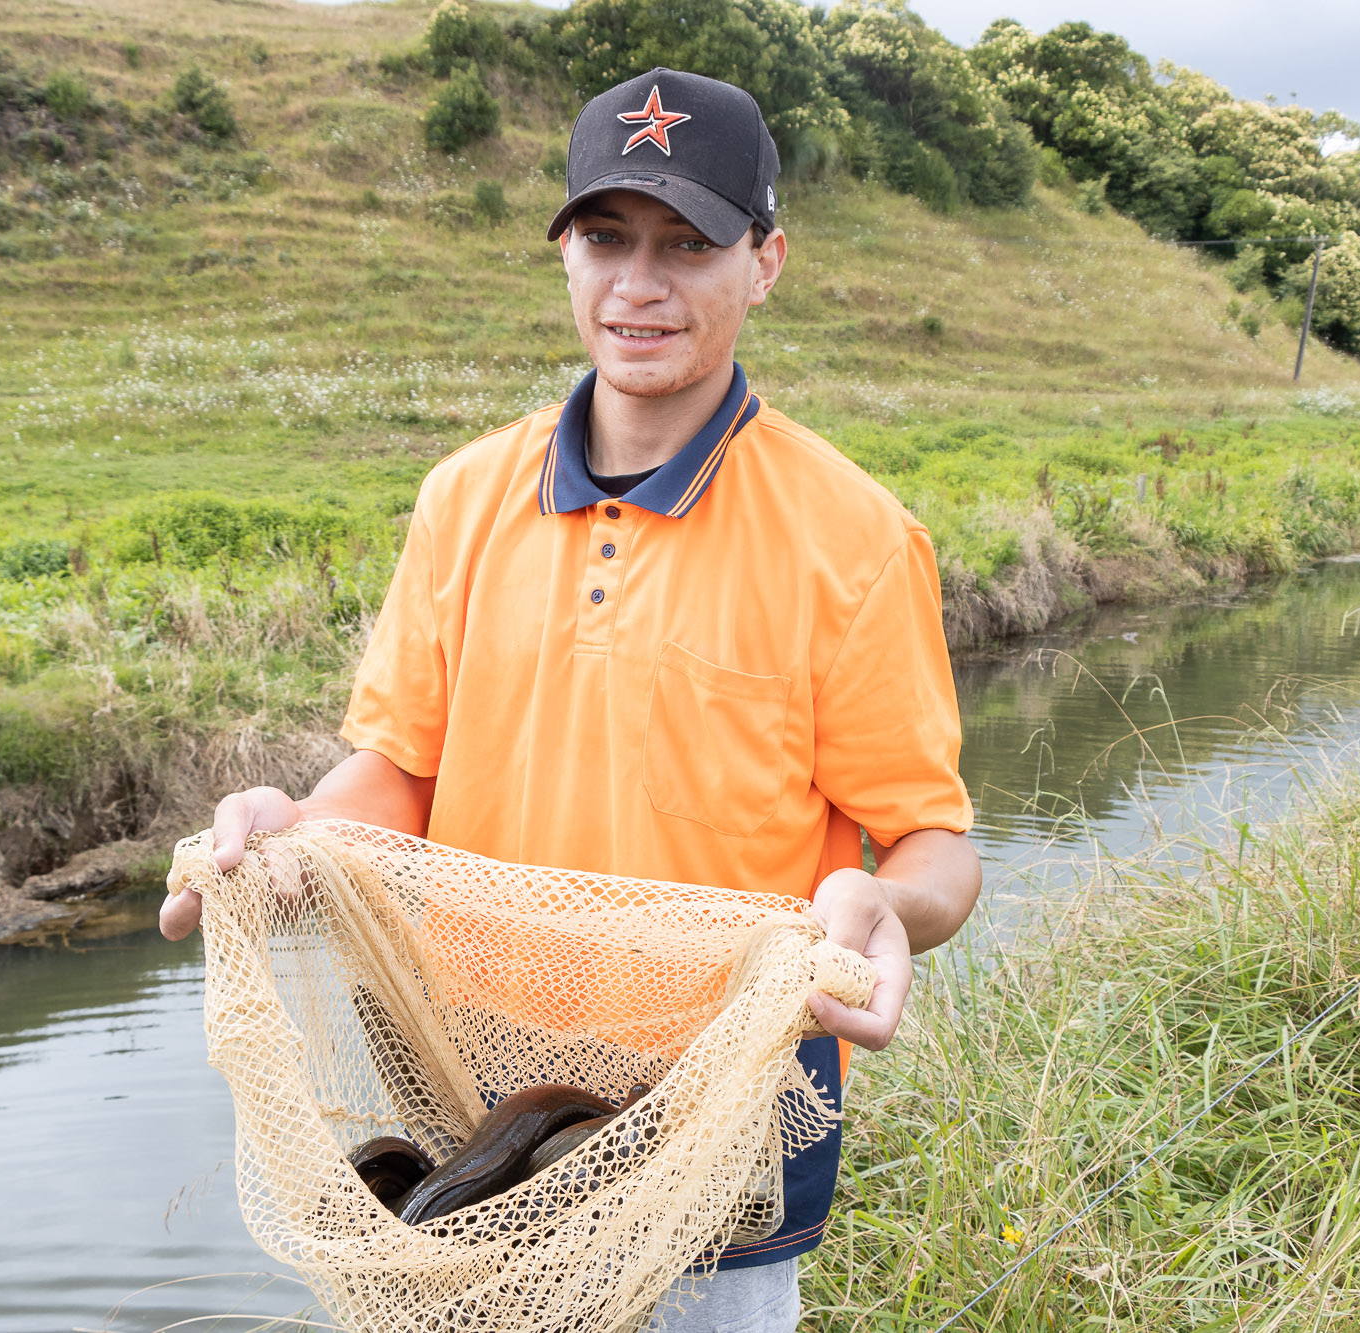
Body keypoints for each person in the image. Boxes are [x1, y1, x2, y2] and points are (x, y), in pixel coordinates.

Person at [161, 67, 981, 1333]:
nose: (637, 285)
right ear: (564, 253)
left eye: (686, 245)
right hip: (472, 1089)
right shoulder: (463, 499)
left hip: (723, 1107)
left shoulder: (853, 537)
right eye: (604, 238)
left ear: (764, 262)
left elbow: (930, 845)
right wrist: (297, 836)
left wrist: (889, 907)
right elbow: (396, 769)